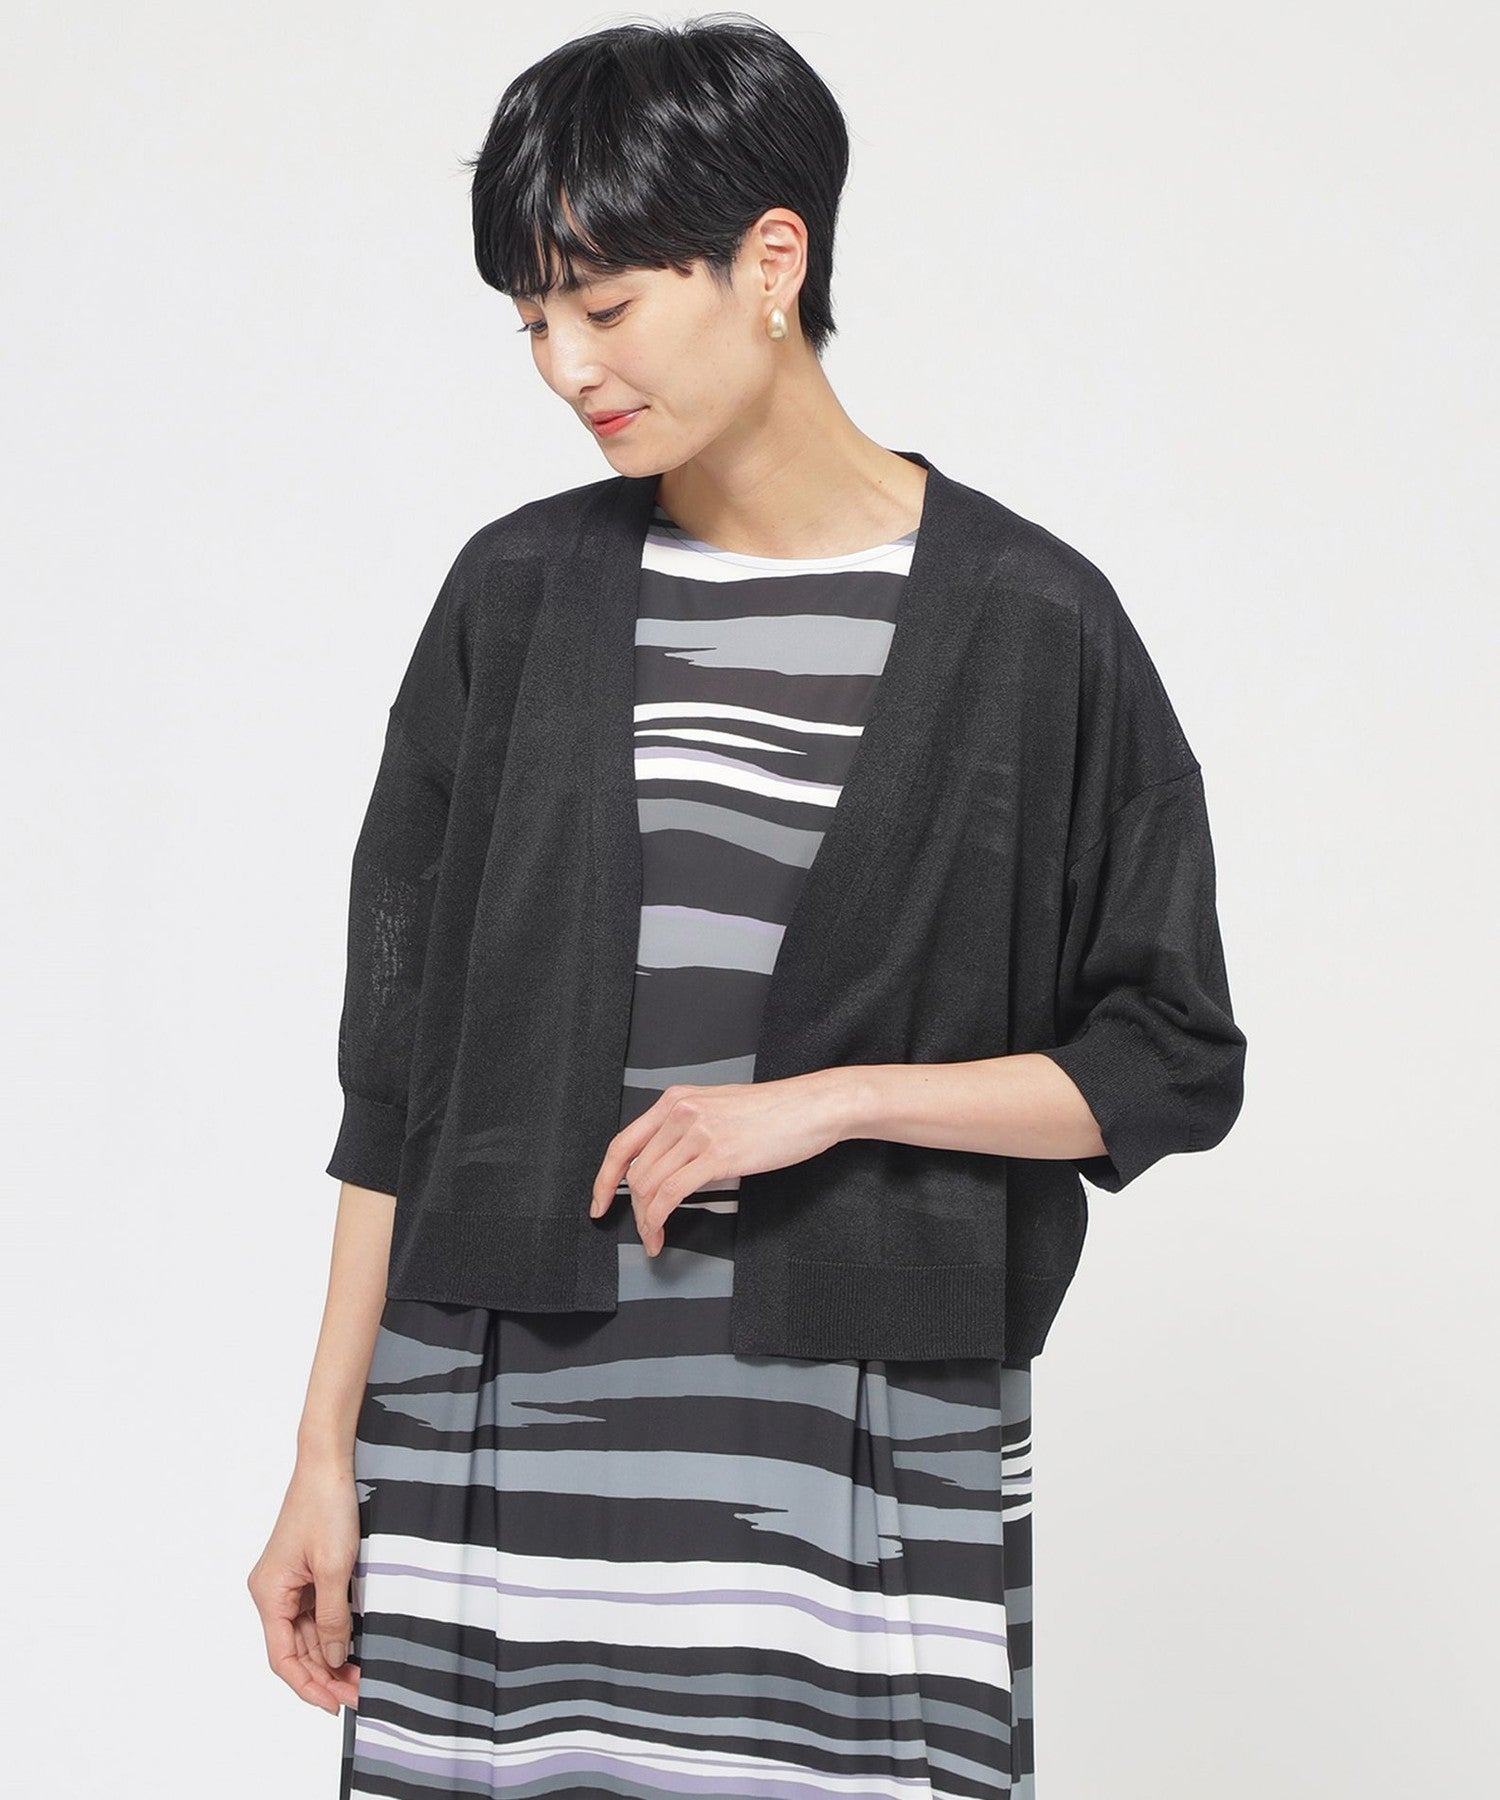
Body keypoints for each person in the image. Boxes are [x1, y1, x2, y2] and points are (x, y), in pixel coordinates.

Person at [247, 16, 1246, 1798]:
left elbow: (1170, 1058)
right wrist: (324, 1455)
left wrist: (830, 1104)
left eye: (604, 305)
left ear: (770, 261)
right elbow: (392, 1085)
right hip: (497, 1429)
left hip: (857, 1445)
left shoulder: (1033, 628)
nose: (565, 366)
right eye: (530, 322)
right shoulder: (511, 602)